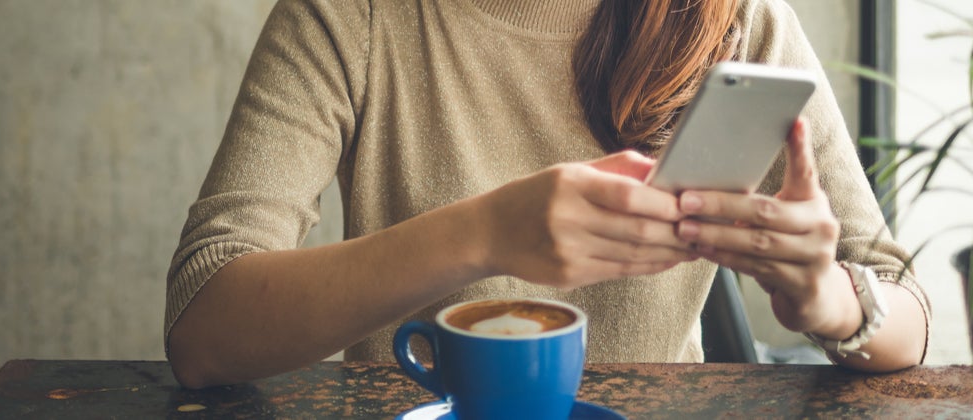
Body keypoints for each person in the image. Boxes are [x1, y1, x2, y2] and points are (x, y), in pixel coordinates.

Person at [165, 0, 931, 389]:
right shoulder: (352, 16)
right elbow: (206, 330)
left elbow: (906, 314)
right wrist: (484, 235)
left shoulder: (737, 18)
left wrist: (830, 299)